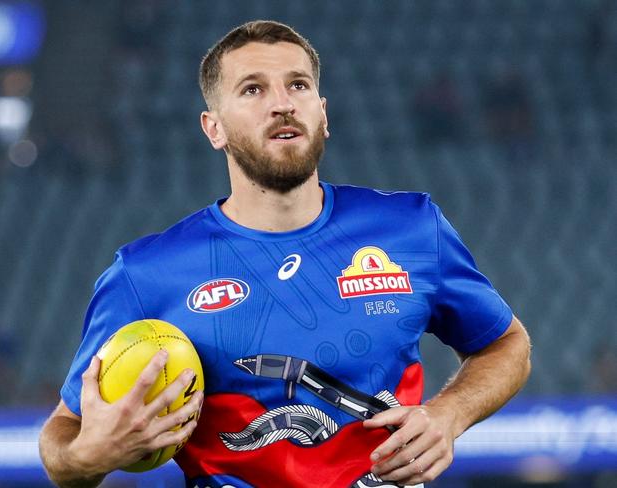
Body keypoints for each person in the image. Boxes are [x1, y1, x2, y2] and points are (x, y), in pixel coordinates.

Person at [39, 20, 531, 488]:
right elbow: (63, 434)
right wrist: (85, 458)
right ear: (214, 129)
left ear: (323, 114)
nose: (282, 104)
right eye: (252, 89)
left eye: (297, 85)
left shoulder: (411, 228)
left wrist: (447, 415)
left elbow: (507, 344)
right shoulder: (145, 275)